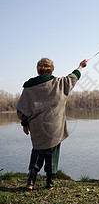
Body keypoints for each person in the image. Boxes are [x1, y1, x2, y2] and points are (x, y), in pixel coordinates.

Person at [16, 57, 87, 190]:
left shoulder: (28, 87)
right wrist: (81, 66)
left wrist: (25, 123)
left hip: (37, 127)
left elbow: (22, 107)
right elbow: (73, 77)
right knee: (52, 154)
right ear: (51, 70)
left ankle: (30, 182)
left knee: (37, 152)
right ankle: (49, 183)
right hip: (54, 127)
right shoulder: (58, 83)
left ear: (38, 70)